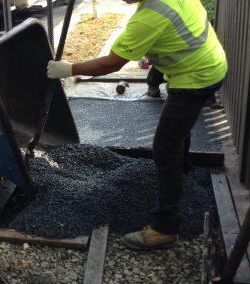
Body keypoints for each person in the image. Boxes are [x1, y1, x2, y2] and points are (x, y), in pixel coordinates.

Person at [47, 0, 227, 250]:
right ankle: (180, 173)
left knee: (165, 147)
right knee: (177, 134)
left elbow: (111, 63)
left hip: (195, 78)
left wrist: (68, 68)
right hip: (211, 65)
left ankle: (165, 228)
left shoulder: (150, 16)